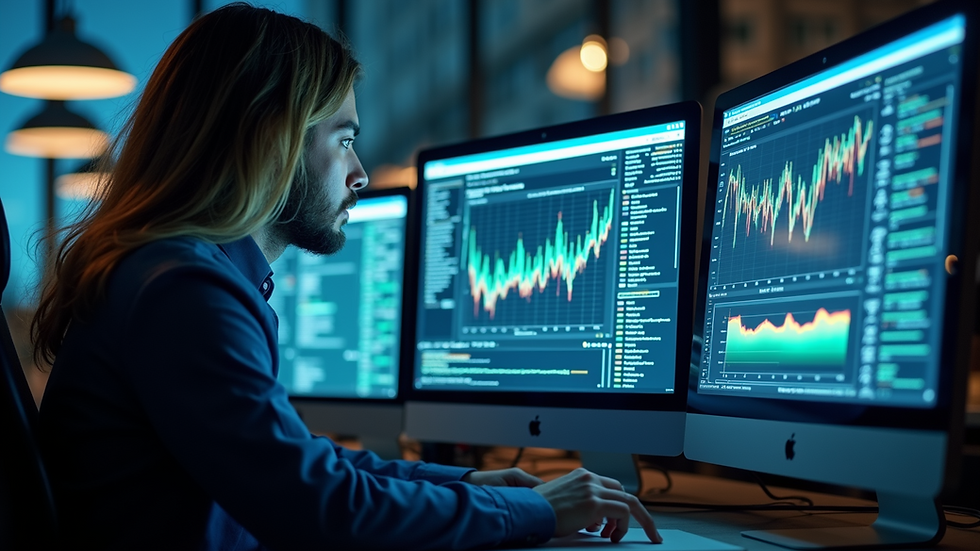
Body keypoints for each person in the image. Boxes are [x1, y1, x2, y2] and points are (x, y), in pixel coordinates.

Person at [31, 4, 662, 550]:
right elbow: (319, 509)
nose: (359, 173)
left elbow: (302, 465)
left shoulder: (172, 272)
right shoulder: (183, 291)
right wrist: (534, 512)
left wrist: (468, 483)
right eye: (344, 138)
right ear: (272, 140)